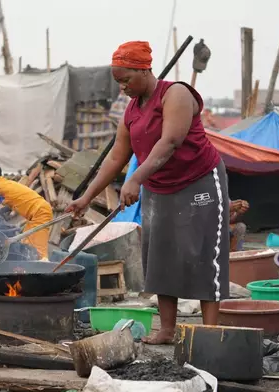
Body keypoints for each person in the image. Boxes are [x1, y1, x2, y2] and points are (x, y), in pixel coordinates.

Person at [66, 41, 230, 345]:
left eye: (126, 79)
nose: (123, 88)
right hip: (160, 186)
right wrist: (86, 198)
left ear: (144, 70)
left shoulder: (176, 94)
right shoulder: (131, 112)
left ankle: (208, 334)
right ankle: (167, 329)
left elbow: (170, 142)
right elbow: (116, 158)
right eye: (118, 82)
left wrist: (136, 179)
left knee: (203, 252)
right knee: (161, 254)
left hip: (199, 181)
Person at [0, 163, 53, 260]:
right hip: (38, 212)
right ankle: (30, 266)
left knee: (38, 248)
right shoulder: (5, 184)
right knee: (27, 243)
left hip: (40, 212)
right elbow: (10, 206)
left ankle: (43, 268)